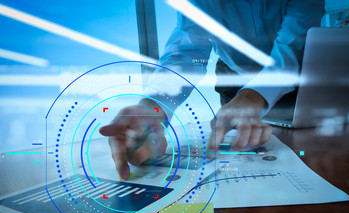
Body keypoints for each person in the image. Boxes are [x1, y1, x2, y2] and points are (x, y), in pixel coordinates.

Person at [100, 0, 325, 180]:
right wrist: (153, 106)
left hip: (299, 77)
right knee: (241, 148)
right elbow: (188, 53)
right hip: (234, 79)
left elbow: (294, 43)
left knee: (310, 148)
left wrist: (254, 96)